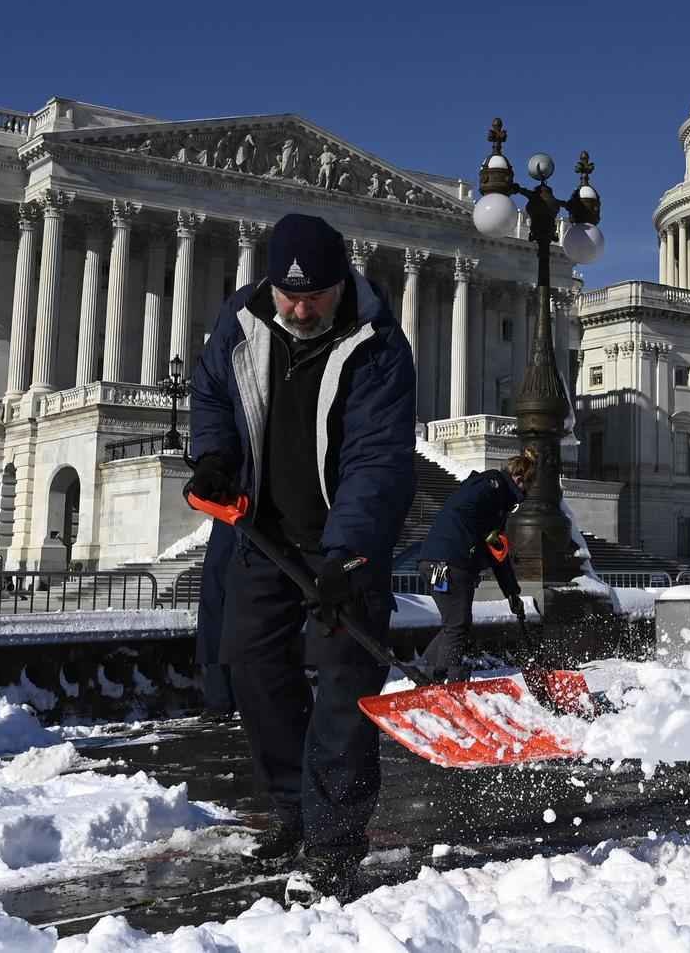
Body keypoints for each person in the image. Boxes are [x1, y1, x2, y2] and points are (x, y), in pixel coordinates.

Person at [186, 212, 416, 903]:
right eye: (290, 296)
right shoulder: (242, 319)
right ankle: (293, 807)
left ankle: (334, 845)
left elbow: (376, 461)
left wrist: (347, 556)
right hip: (265, 530)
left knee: (346, 686)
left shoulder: (378, 345)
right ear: (270, 283)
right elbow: (212, 394)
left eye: (314, 294)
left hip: (346, 541)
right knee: (254, 665)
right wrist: (217, 458)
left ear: (339, 282)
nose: (301, 308)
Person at [419, 452, 535, 681]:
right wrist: (483, 536)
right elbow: (465, 509)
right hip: (449, 561)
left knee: (454, 624)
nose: (527, 492)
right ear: (519, 478)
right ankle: (446, 681)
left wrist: (512, 593)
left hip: (436, 560)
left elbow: (498, 555)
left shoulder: (499, 501)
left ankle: (425, 673)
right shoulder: (492, 485)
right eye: (528, 485)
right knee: (458, 624)